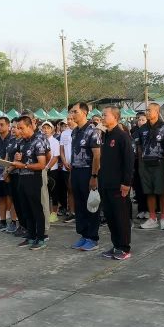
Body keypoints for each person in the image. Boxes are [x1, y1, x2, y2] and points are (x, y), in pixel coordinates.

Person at [8, 115, 50, 249]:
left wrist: (24, 165)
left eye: (21, 128)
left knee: (36, 208)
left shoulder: (38, 141)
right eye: (18, 128)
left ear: (30, 126)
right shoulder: (22, 142)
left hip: (33, 178)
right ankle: (31, 236)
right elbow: (22, 159)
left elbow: (42, 163)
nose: (19, 131)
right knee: (26, 209)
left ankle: (41, 237)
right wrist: (18, 158)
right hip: (22, 178)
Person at [97, 107, 134, 259]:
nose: (102, 117)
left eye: (105, 115)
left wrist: (126, 183)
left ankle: (124, 248)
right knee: (111, 217)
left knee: (121, 217)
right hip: (105, 183)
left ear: (115, 117)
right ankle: (116, 245)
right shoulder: (106, 135)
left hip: (118, 185)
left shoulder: (122, 136)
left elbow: (129, 161)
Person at [66, 103, 101, 249]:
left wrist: (94, 176)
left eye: (75, 111)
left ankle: (93, 238)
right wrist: (71, 174)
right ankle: (84, 235)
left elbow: (97, 156)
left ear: (85, 112)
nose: (72, 115)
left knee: (90, 205)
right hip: (76, 171)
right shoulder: (74, 131)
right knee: (79, 204)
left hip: (88, 171)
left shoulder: (93, 130)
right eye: (71, 112)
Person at [136, 102, 164, 231]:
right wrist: (140, 164)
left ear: (157, 112)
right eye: (146, 110)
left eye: (149, 110)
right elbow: (139, 147)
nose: (147, 112)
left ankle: (163, 218)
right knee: (149, 191)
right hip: (145, 163)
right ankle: (152, 218)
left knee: (162, 191)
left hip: (160, 162)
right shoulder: (142, 128)